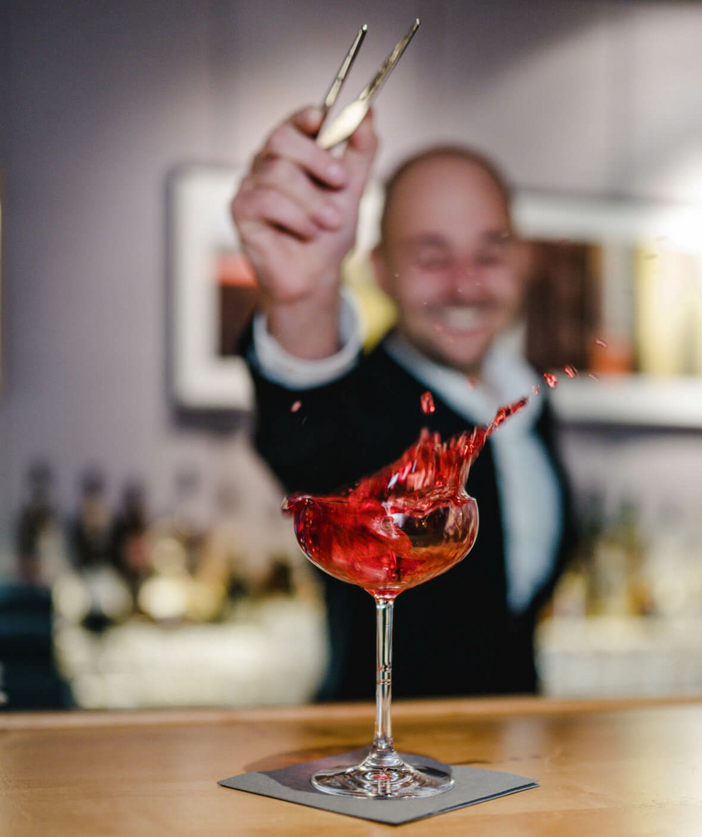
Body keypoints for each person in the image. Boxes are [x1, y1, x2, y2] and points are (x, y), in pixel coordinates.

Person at [231, 106, 574, 700]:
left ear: (520, 263)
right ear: (381, 272)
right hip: (374, 767)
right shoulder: (364, 406)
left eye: (489, 254)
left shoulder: (527, 401)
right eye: (431, 256)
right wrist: (301, 300)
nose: (465, 283)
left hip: (514, 763)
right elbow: (307, 433)